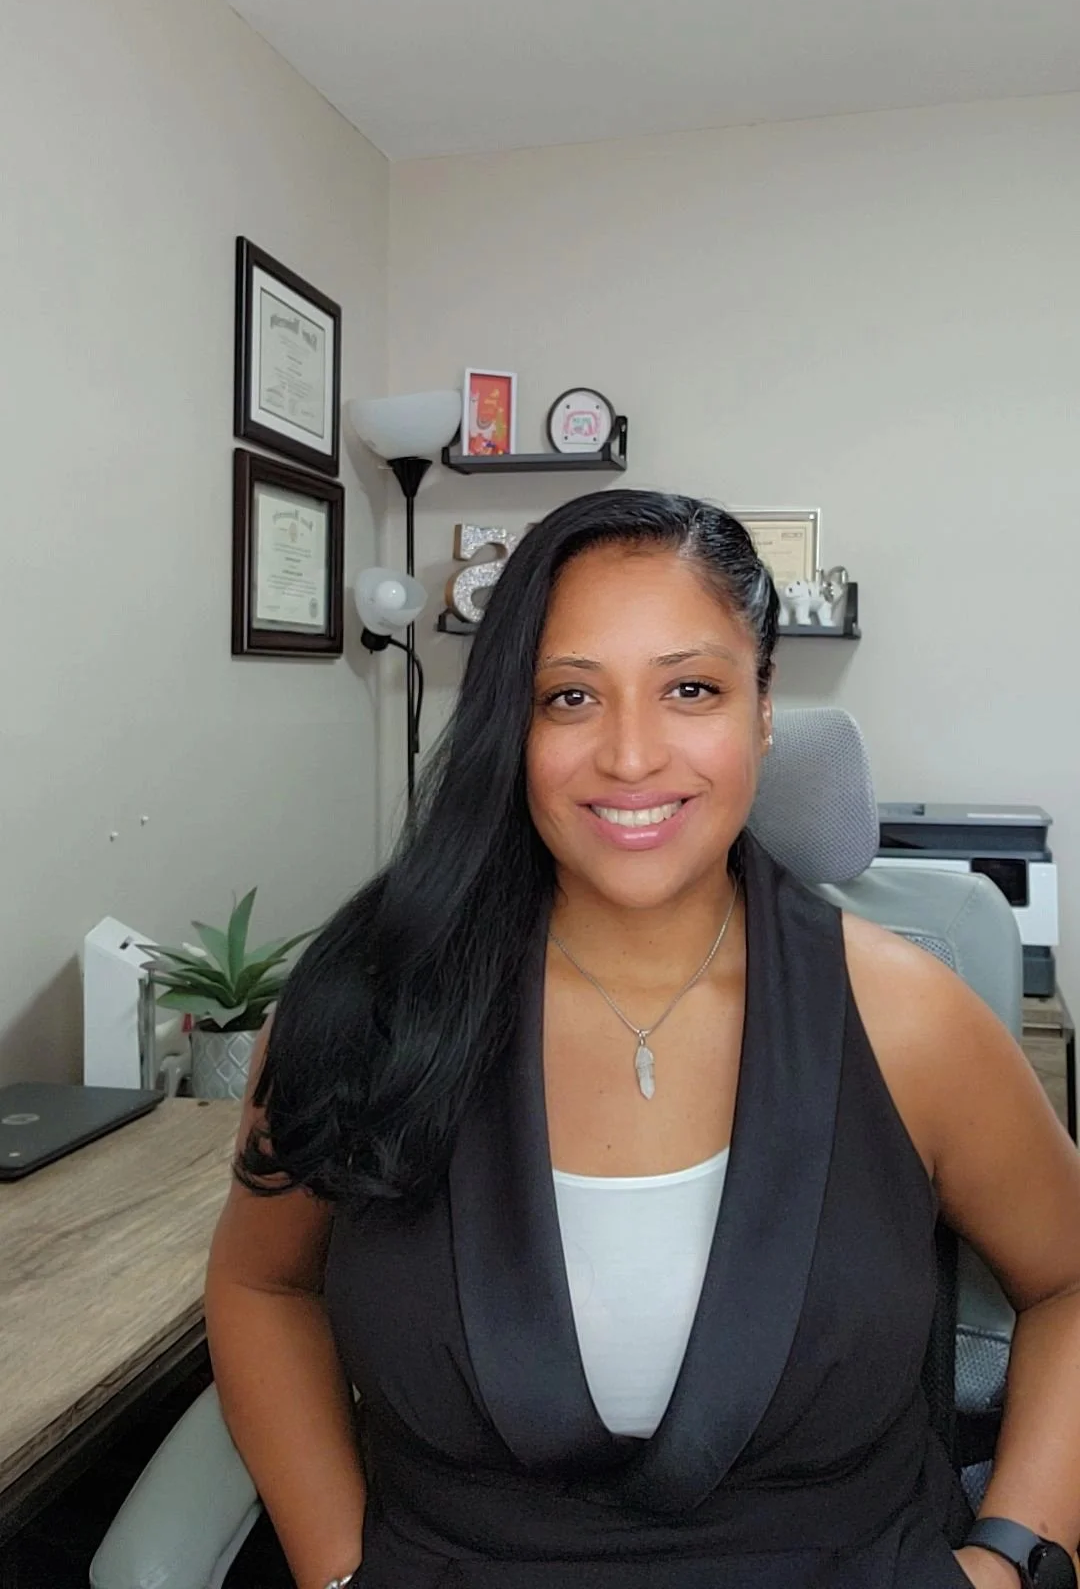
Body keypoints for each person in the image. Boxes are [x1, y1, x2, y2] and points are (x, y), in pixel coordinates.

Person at [206, 490, 1080, 1589]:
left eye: (691, 689)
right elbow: (261, 1290)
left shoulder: (911, 1020)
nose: (629, 755)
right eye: (571, 695)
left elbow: (1069, 1283)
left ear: (763, 711)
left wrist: (1014, 1557)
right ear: (510, 726)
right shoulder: (370, 1004)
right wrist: (338, 1571)